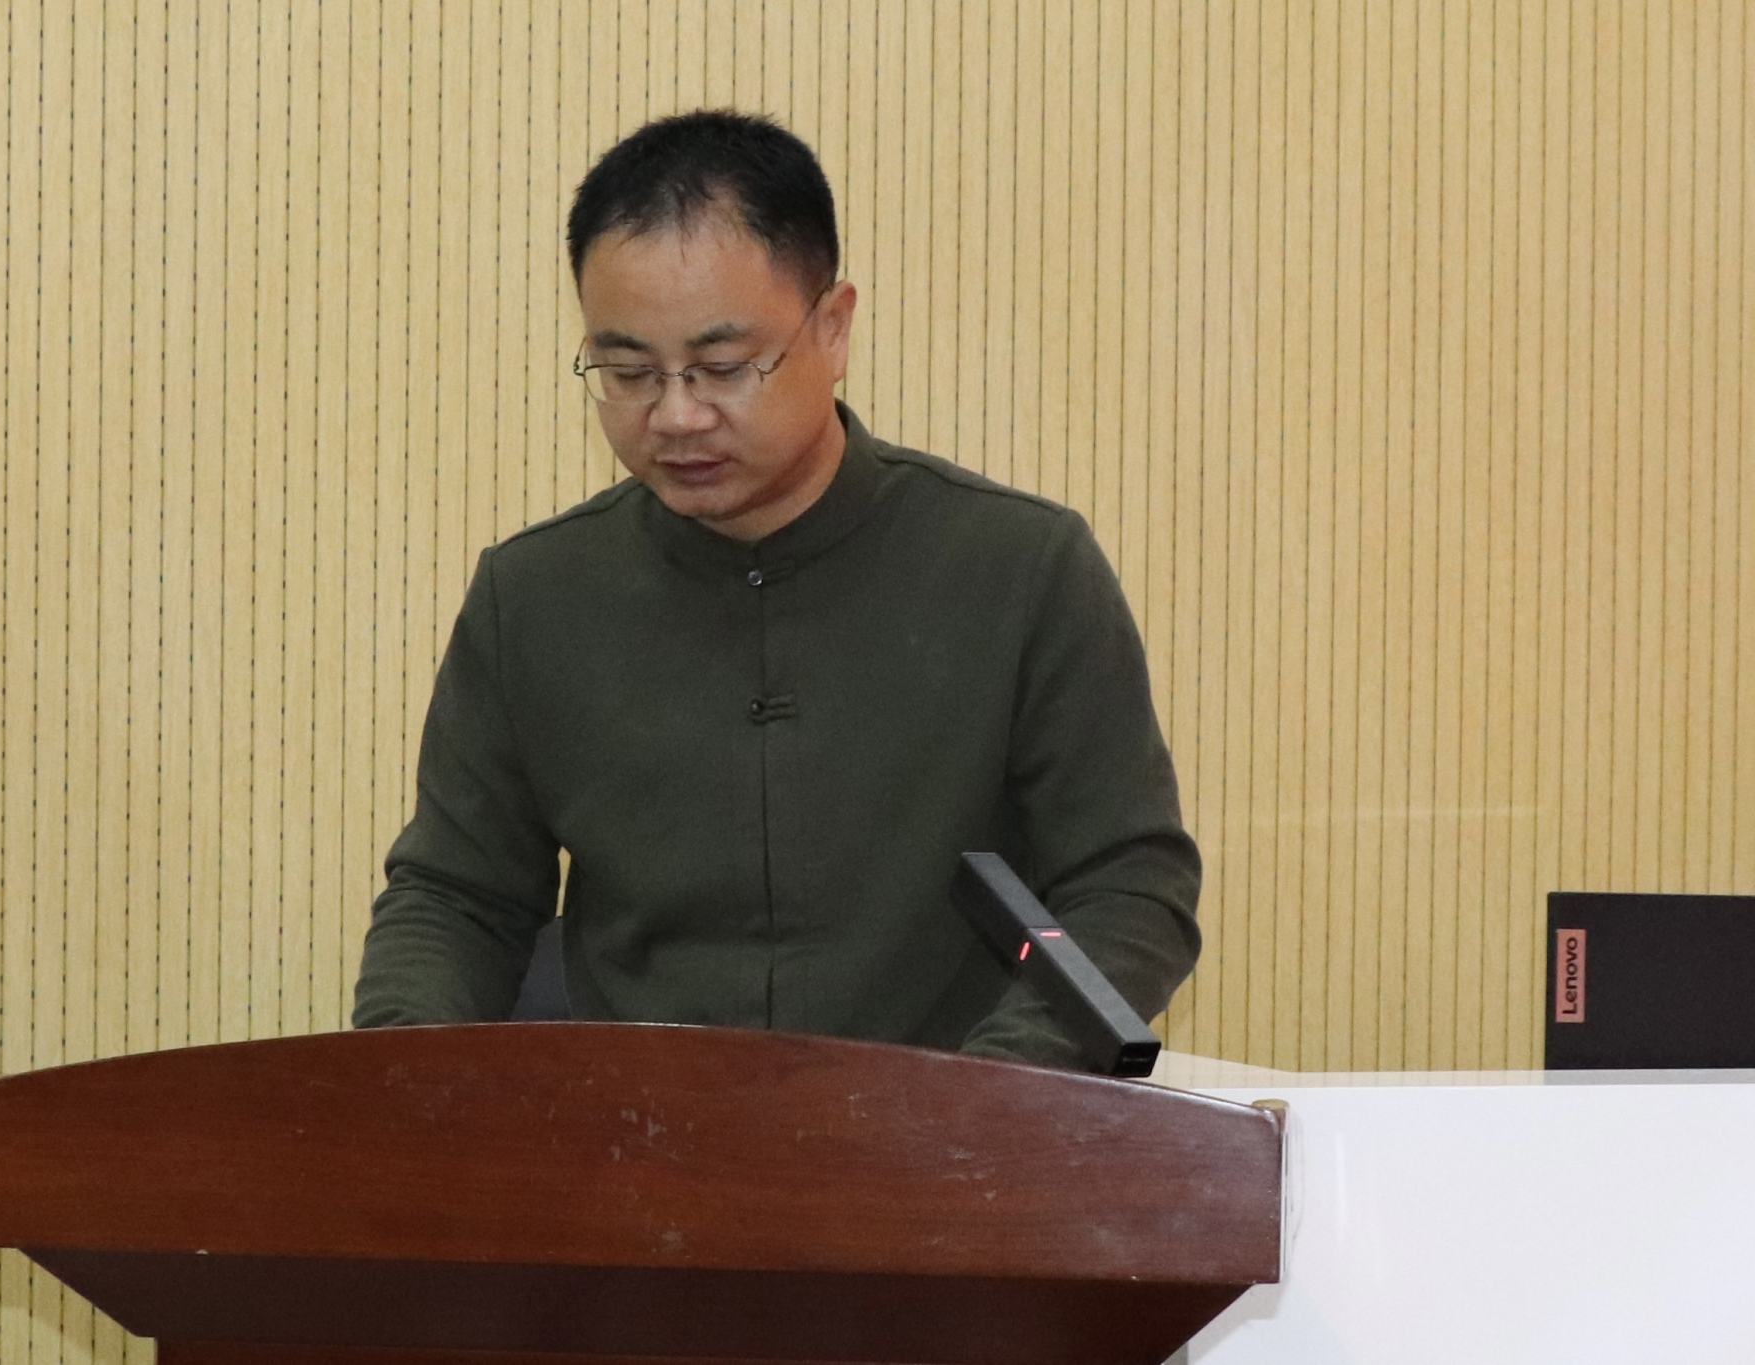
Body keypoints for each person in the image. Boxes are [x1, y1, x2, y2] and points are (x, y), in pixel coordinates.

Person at [351, 110, 1200, 1069]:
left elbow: (1129, 888)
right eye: (629, 371)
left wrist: (991, 1094)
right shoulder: (535, 597)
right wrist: (397, 1080)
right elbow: (455, 898)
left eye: (723, 367)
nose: (676, 414)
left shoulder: (1020, 568)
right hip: (636, 1132)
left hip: (955, 1124)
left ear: (832, 329)